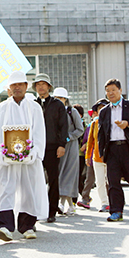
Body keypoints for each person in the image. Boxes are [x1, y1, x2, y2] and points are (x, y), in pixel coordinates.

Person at [0, 71, 48, 241]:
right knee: (6, 188)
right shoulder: (3, 107)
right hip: (7, 158)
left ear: (26, 86)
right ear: (9, 88)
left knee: (28, 190)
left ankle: (27, 226)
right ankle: (5, 226)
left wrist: (35, 152)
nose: (17, 88)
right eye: (14, 85)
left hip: (29, 158)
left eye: (20, 85)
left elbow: (40, 132)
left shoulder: (34, 107)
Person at [97, 78, 129, 222]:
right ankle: (116, 211)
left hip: (128, 148)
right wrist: (102, 153)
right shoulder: (104, 111)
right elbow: (101, 134)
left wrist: (128, 124)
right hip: (112, 149)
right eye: (107, 91)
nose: (110, 93)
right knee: (113, 183)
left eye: (113, 90)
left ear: (120, 90)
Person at [33, 73, 69, 223]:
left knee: (53, 179)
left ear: (49, 86)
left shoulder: (57, 104)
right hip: (34, 148)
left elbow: (64, 126)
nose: (41, 87)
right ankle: (35, 210)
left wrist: (62, 145)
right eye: (38, 84)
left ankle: (51, 211)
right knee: (35, 179)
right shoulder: (32, 104)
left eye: (43, 84)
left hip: (53, 147)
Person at [53, 87, 84, 215]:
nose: (59, 101)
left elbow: (80, 129)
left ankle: (61, 203)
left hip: (71, 146)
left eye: (61, 98)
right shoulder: (52, 112)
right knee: (58, 173)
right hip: (56, 146)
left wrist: (69, 137)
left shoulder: (73, 112)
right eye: (56, 98)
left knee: (69, 174)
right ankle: (69, 205)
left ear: (65, 99)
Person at [82, 98, 110, 211]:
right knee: (99, 182)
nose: (102, 110)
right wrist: (87, 156)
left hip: (111, 157)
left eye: (104, 107)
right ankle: (104, 202)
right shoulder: (94, 123)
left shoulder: (113, 122)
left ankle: (113, 201)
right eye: (99, 108)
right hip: (97, 158)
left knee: (111, 181)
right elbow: (90, 142)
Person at [73, 104, 87, 203]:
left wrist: (85, 145)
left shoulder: (85, 126)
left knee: (79, 177)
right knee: (74, 177)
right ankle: (78, 198)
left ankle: (84, 196)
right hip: (72, 153)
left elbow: (89, 138)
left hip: (81, 154)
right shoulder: (71, 125)